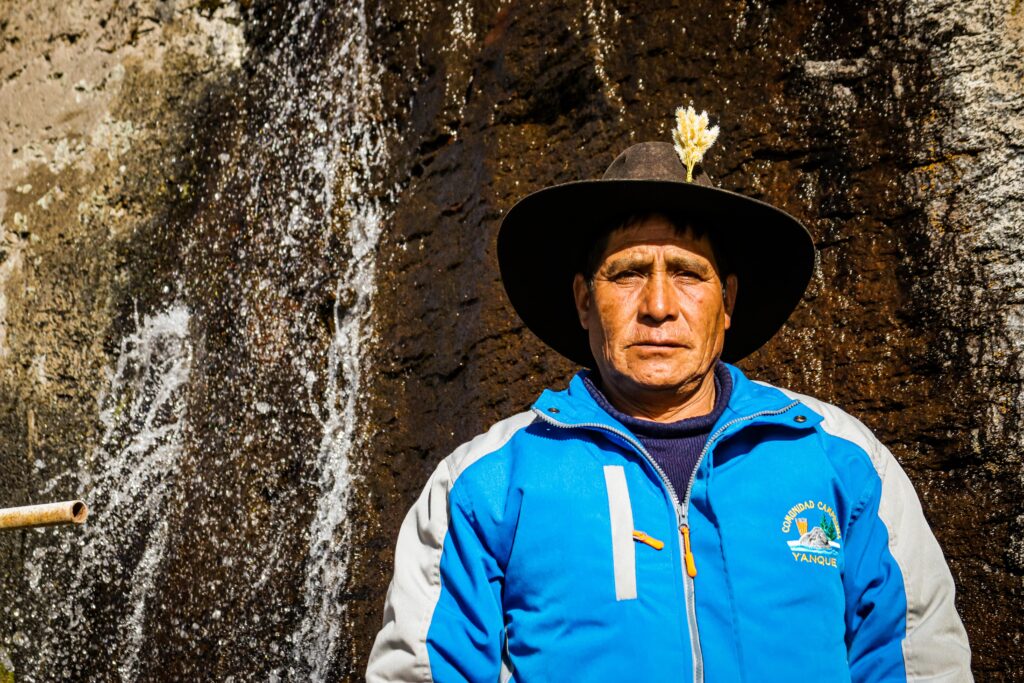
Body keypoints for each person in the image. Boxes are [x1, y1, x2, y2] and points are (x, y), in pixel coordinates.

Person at [366, 108, 972, 682]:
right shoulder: (483, 485)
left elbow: (919, 660)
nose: (658, 306)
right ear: (584, 301)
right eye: (629, 274)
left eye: (687, 274)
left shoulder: (842, 459)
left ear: (727, 302)